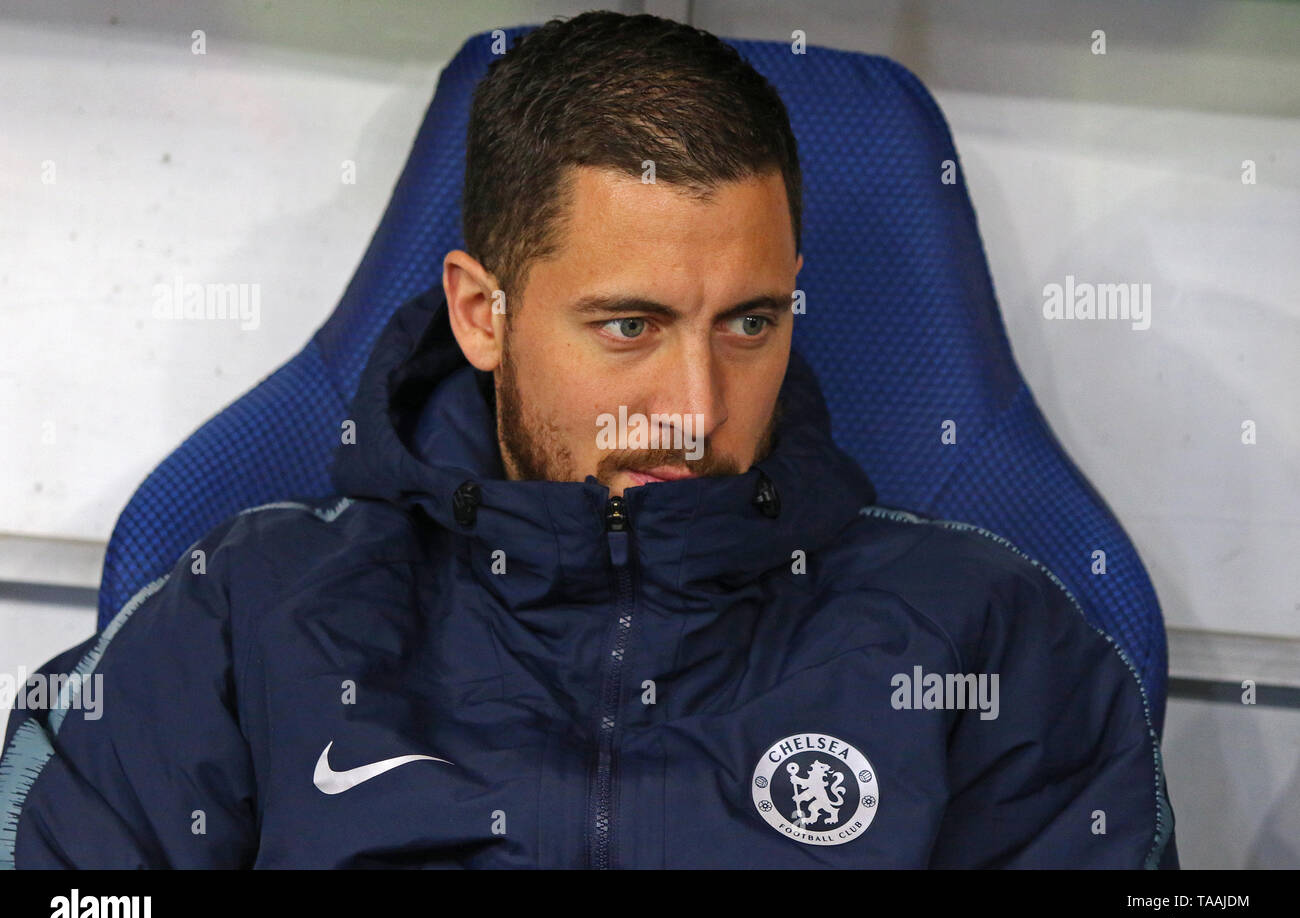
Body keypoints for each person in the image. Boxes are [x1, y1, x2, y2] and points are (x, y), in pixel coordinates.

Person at [0, 10, 1175, 868]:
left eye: (751, 322)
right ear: (481, 311)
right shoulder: (239, 619)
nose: (697, 406)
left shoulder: (996, 643)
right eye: (630, 324)